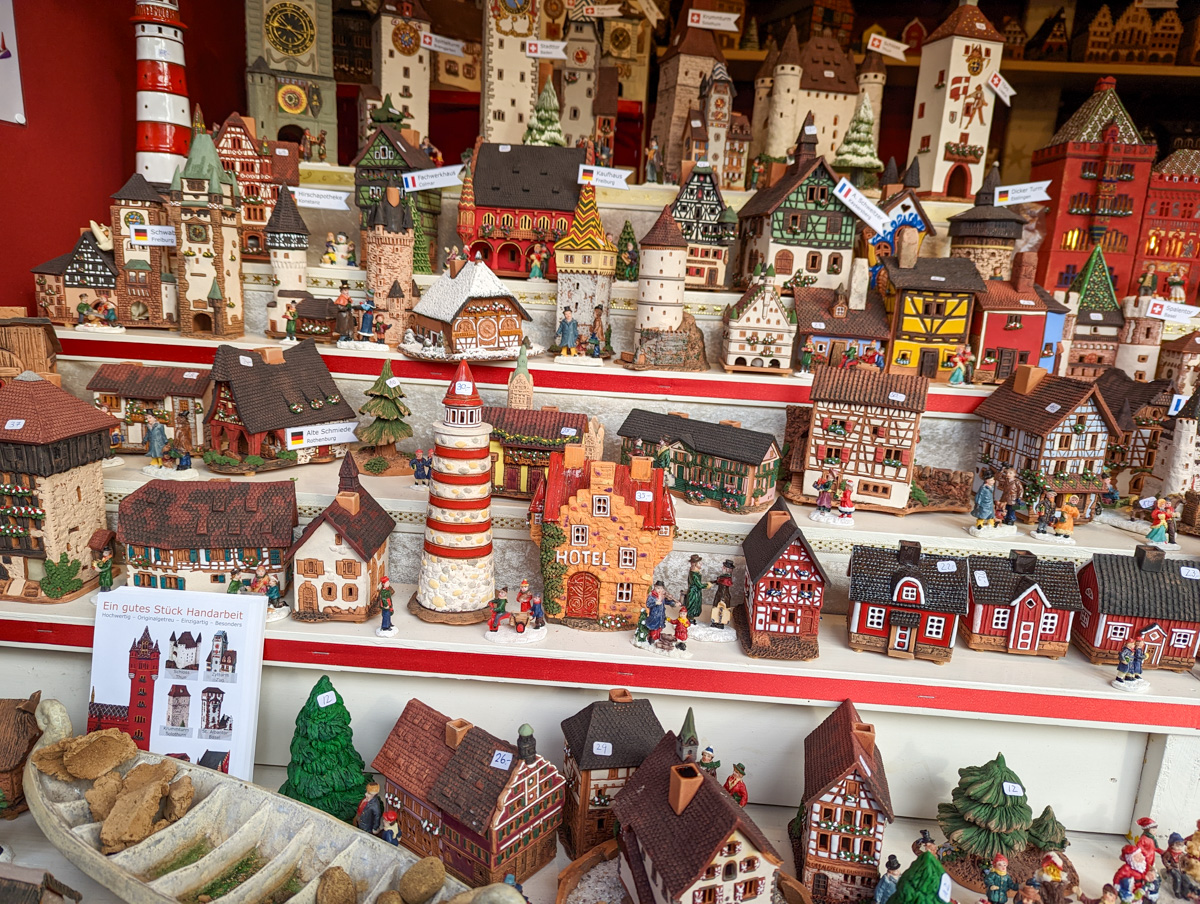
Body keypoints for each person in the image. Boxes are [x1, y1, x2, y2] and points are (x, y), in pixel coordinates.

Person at [682, 554, 709, 620]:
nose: (701, 564)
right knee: (692, 605)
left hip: (696, 592)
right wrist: (708, 585)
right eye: (699, 562)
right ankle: (690, 618)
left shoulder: (695, 572)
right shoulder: (694, 574)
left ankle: (691, 618)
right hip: (694, 592)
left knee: (695, 605)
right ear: (694, 564)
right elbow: (699, 585)